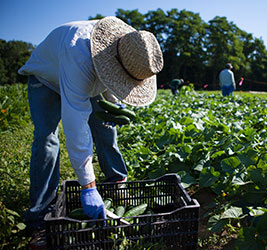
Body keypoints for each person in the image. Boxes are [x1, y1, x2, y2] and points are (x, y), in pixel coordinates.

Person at [18, 16, 163, 247]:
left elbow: (113, 78)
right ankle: (39, 215)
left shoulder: (130, 50)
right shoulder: (79, 53)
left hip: (86, 73)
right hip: (46, 78)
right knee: (47, 141)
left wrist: (115, 103)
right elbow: (76, 126)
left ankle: (116, 183)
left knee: (106, 129)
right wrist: (88, 187)